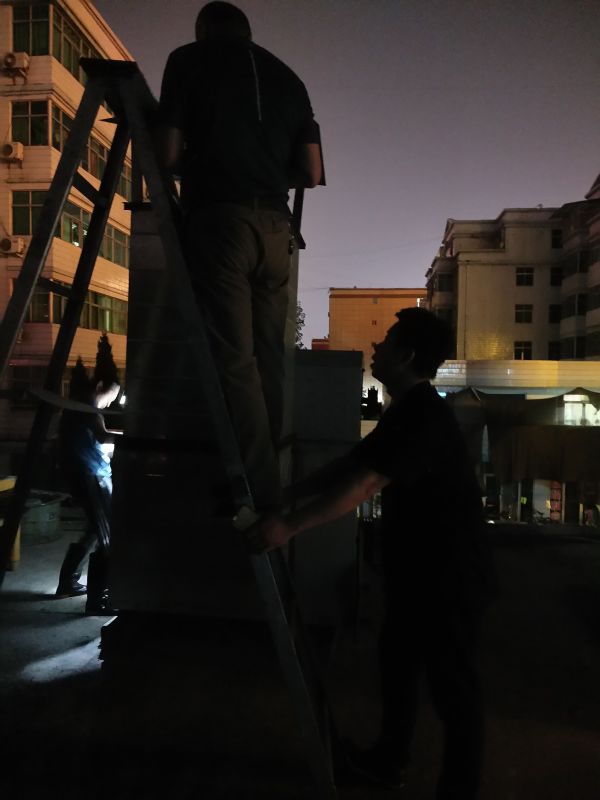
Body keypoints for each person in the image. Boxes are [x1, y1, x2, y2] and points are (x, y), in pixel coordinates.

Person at [247, 308, 497, 799]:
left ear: (406, 355)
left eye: (387, 340)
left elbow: (364, 484)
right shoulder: (406, 408)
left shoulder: (422, 414)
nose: (377, 348)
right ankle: (388, 761)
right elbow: (352, 465)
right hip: (418, 573)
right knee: (398, 666)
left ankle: (458, 789)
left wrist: (288, 526)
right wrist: (287, 496)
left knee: (453, 688)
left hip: (450, 578)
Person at [158, 1, 323, 511]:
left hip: (222, 222)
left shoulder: (187, 61)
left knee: (235, 360)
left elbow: (167, 154)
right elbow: (312, 172)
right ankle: (270, 471)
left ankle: (259, 492)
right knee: (269, 356)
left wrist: (209, 164)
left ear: (203, 29)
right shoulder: (289, 78)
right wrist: (265, 171)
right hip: (277, 229)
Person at [55, 366, 120, 616]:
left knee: (95, 529)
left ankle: (68, 582)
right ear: (100, 386)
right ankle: (98, 601)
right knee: (106, 533)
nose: (111, 402)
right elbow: (102, 436)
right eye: (112, 396)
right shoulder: (88, 404)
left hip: (83, 471)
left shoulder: (79, 405)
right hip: (90, 473)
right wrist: (132, 438)